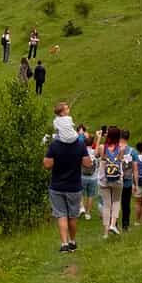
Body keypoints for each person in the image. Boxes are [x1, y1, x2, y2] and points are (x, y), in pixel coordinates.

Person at [43, 102, 92, 253]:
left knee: (61, 215)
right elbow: (87, 164)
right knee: (73, 216)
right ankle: (72, 241)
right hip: (74, 185)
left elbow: (47, 165)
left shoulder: (55, 145)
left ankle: (64, 244)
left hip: (57, 185)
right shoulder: (79, 144)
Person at [97, 126, 130, 236]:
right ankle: (113, 224)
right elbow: (120, 161)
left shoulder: (102, 147)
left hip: (104, 179)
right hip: (117, 179)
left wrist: (98, 138)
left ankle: (105, 233)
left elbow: (96, 154)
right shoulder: (121, 148)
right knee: (116, 202)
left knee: (107, 205)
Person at [119, 128, 137, 231]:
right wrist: (136, 184)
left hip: (115, 180)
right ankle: (125, 225)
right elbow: (135, 169)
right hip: (127, 181)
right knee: (126, 204)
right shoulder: (132, 151)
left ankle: (114, 225)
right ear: (128, 138)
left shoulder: (114, 149)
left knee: (115, 203)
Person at [80, 129, 98, 220]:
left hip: (82, 176)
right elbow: (97, 146)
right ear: (92, 144)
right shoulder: (95, 152)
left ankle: (82, 207)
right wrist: (98, 137)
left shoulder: (82, 152)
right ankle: (88, 213)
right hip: (93, 177)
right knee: (90, 195)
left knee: (81, 193)